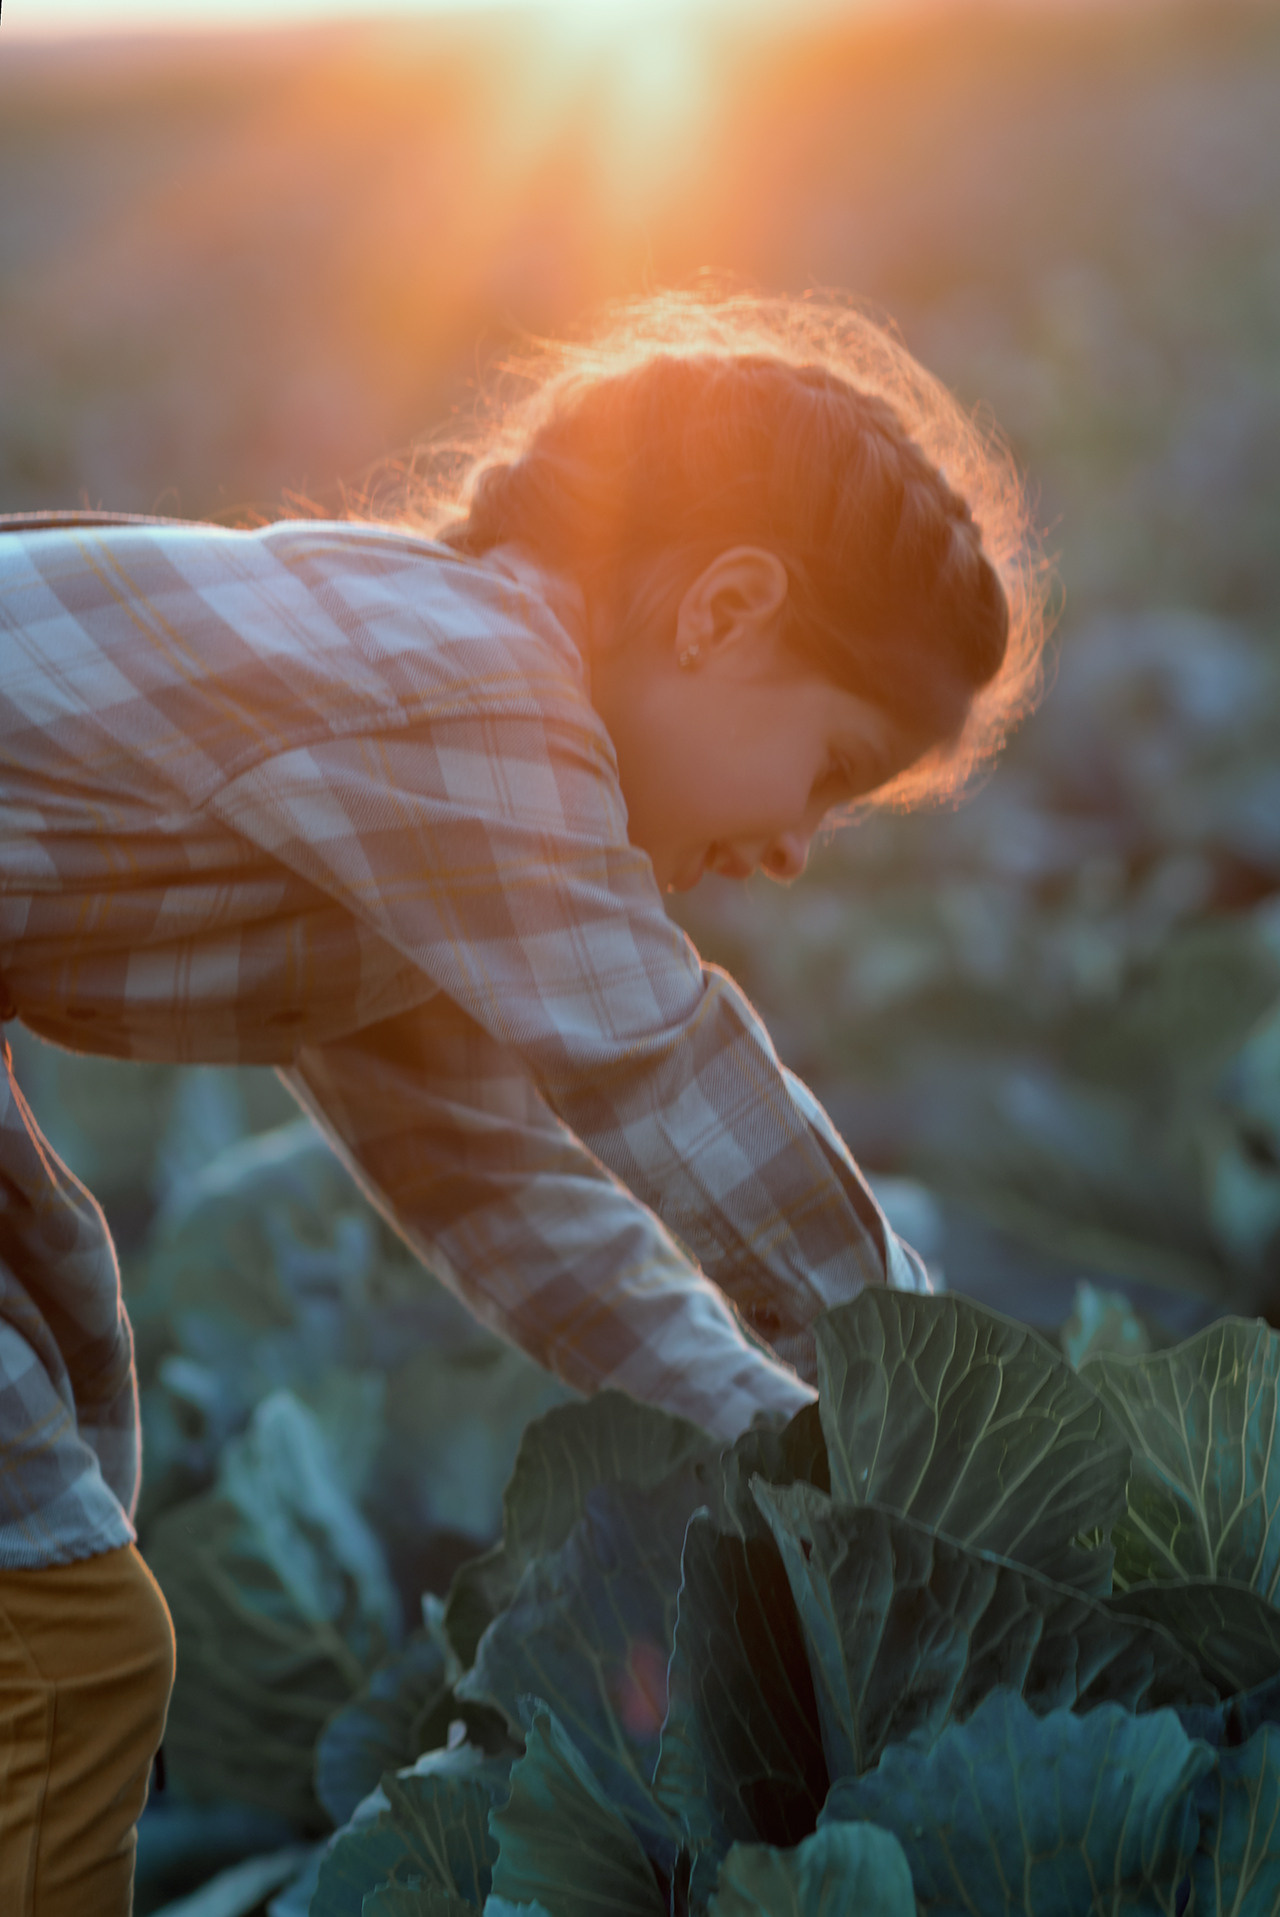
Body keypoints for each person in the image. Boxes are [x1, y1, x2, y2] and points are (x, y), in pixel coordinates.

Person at [0, 290, 1046, 1912]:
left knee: (54, 1565)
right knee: (58, 1636)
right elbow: (664, 1066)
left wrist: (802, 1451)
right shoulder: (473, 686)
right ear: (723, 609)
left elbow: (512, 1199)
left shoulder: (424, 782)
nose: (791, 849)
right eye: (832, 771)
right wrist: (949, 1427)